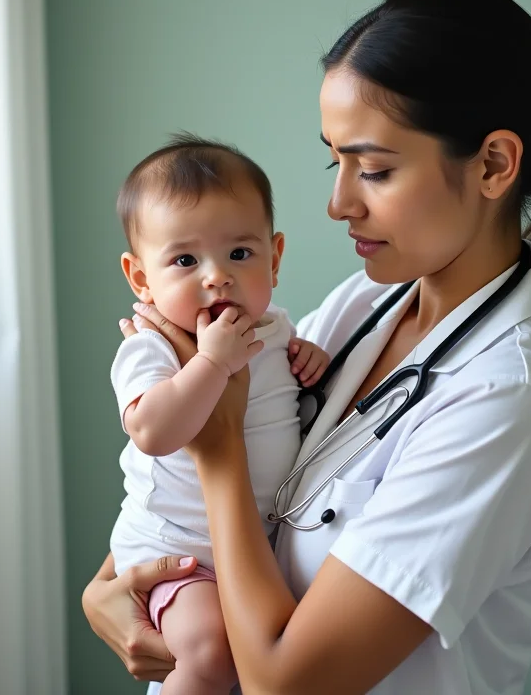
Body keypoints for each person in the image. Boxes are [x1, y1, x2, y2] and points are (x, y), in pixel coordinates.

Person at [83, 0, 531, 695]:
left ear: (493, 165)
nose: (338, 203)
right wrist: (106, 588)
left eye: (375, 170)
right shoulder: (367, 303)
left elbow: (285, 684)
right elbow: (194, 495)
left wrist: (219, 450)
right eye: (337, 162)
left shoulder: (507, 403)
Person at [108, 134, 330, 694]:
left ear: (274, 259)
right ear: (141, 278)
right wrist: (209, 364)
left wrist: (310, 357)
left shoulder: (275, 326)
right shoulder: (151, 345)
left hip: (250, 550)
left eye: (240, 254)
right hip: (174, 550)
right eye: (185, 260)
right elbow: (152, 431)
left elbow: (284, 387)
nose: (216, 275)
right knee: (210, 652)